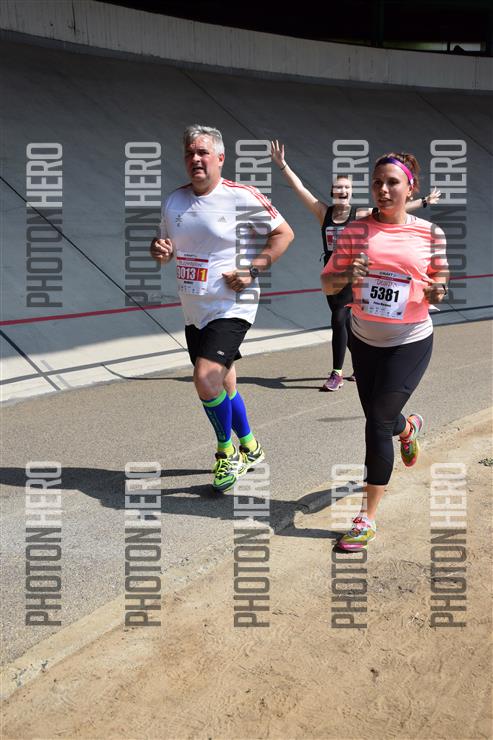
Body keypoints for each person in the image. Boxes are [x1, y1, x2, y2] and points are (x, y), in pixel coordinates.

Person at [151, 125, 294, 492]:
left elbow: (284, 233)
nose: (195, 159)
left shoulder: (241, 196)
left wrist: (252, 270)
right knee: (224, 380)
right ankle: (251, 446)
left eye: (202, 152)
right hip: (194, 308)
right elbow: (165, 248)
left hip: (232, 305)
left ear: (219, 157)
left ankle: (225, 452)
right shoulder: (174, 201)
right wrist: (160, 250)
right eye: (189, 153)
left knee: (205, 378)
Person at [321, 152, 449, 550]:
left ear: (411, 188)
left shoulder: (429, 233)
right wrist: (347, 274)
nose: (383, 189)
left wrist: (438, 289)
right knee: (383, 418)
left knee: (376, 422)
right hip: (363, 340)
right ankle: (407, 429)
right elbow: (328, 283)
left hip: (409, 341)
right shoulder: (355, 231)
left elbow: (440, 275)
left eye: (393, 182)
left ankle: (366, 517)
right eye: (377, 182)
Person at [271, 140, 441, 392]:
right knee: (345, 323)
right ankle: (361, 366)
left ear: (351, 193)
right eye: (338, 188)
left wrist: (424, 201)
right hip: (333, 277)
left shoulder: (360, 215)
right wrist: (283, 165)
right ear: (332, 192)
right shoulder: (324, 213)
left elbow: (396, 206)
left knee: (339, 319)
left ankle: (336, 373)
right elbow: (299, 188)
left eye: (347, 189)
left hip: (355, 276)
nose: (342, 192)